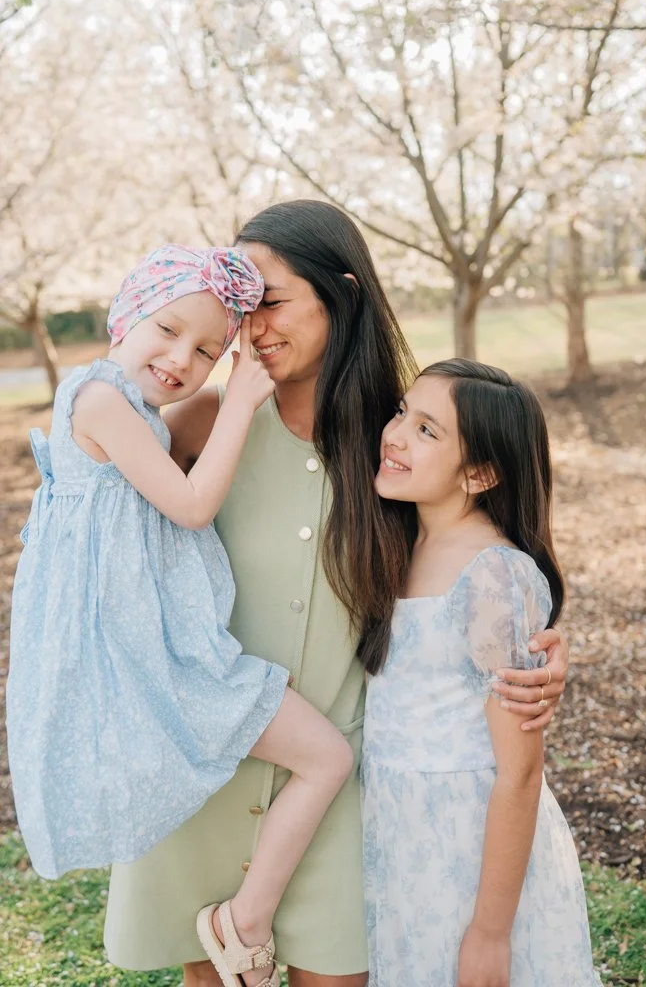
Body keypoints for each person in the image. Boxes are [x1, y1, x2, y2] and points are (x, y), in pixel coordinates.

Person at [103, 202, 570, 987]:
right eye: (241, 307)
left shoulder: (396, 441)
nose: (251, 328)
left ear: (343, 296)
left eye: (272, 302)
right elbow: (89, 507)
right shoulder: (205, 423)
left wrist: (539, 645)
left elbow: (477, 546)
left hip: (341, 795)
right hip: (205, 767)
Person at [7, 245, 353, 987]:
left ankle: (242, 919)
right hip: (159, 667)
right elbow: (193, 509)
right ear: (125, 316)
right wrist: (237, 401)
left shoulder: (135, 409)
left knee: (320, 757)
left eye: (206, 351)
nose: (179, 359)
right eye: (166, 330)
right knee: (327, 757)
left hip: (161, 655)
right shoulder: (100, 401)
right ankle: (245, 922)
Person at [362, 359, 600, 987]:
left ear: (481, 472)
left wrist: (491, 933)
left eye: (427, 431)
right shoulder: (402, 541)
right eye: (400, 414)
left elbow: (520, 771)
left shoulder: (491, 575)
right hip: (405, 837)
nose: (394, 435)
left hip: (468, 847)